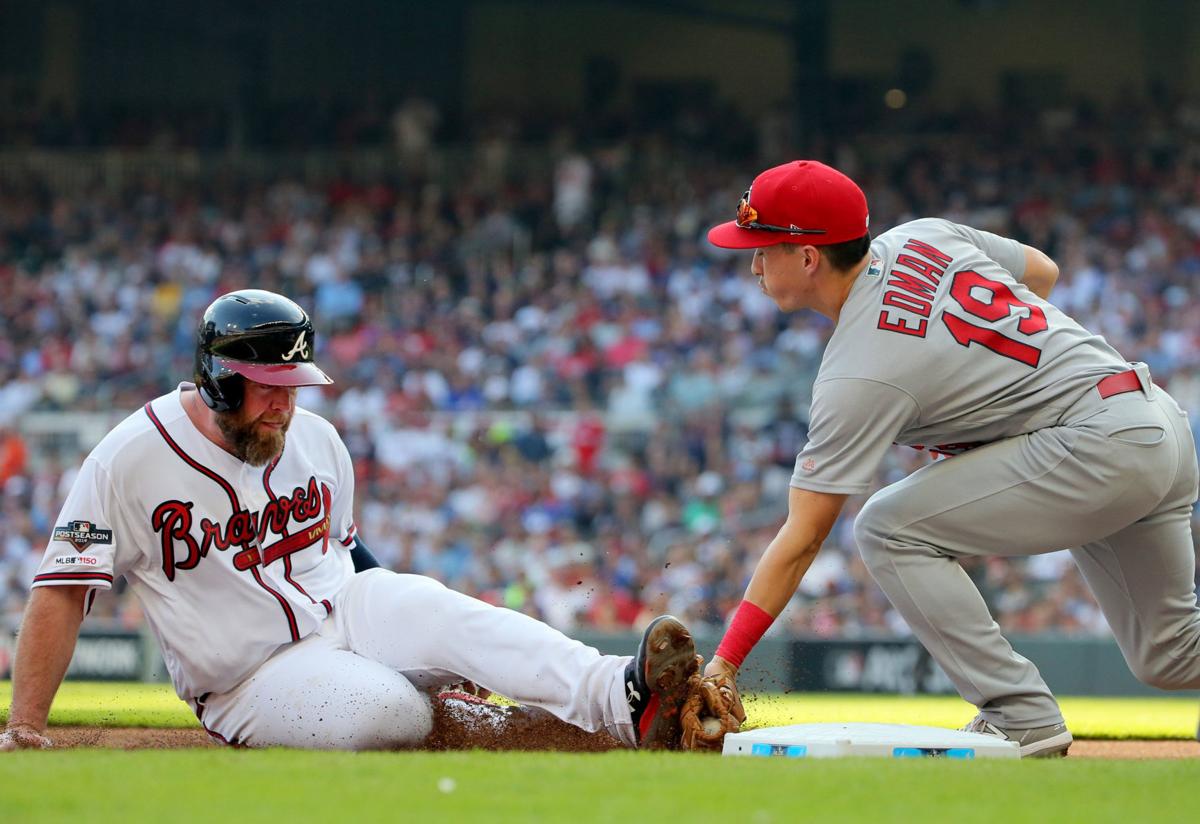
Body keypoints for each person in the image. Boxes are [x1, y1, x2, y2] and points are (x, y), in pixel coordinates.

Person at [1, 289, 698, 751]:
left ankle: (623, 697)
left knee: (431, 604)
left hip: (345, 608)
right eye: (268, 389)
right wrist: (26, 726)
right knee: (390, 711)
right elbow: (63, 590)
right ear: (219, 379)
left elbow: (350, 551)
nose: (285, 405)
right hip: (249, 680)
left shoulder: (317, 440)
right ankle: (483, 723)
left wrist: (419, 638)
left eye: (294, 387)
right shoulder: (127, 460)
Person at [703, 160, 1200, 757]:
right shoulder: (924, 234)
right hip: (1153, 419)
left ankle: (1020, 716)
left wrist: (726, 661)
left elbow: (806, 536)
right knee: (1171, 654)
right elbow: (1042, 271)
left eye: (763, 247)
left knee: (888, 529)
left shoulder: (859, 372)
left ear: (809, 257)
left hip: (1099, 446)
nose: (753, 262)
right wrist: (1000, 386)